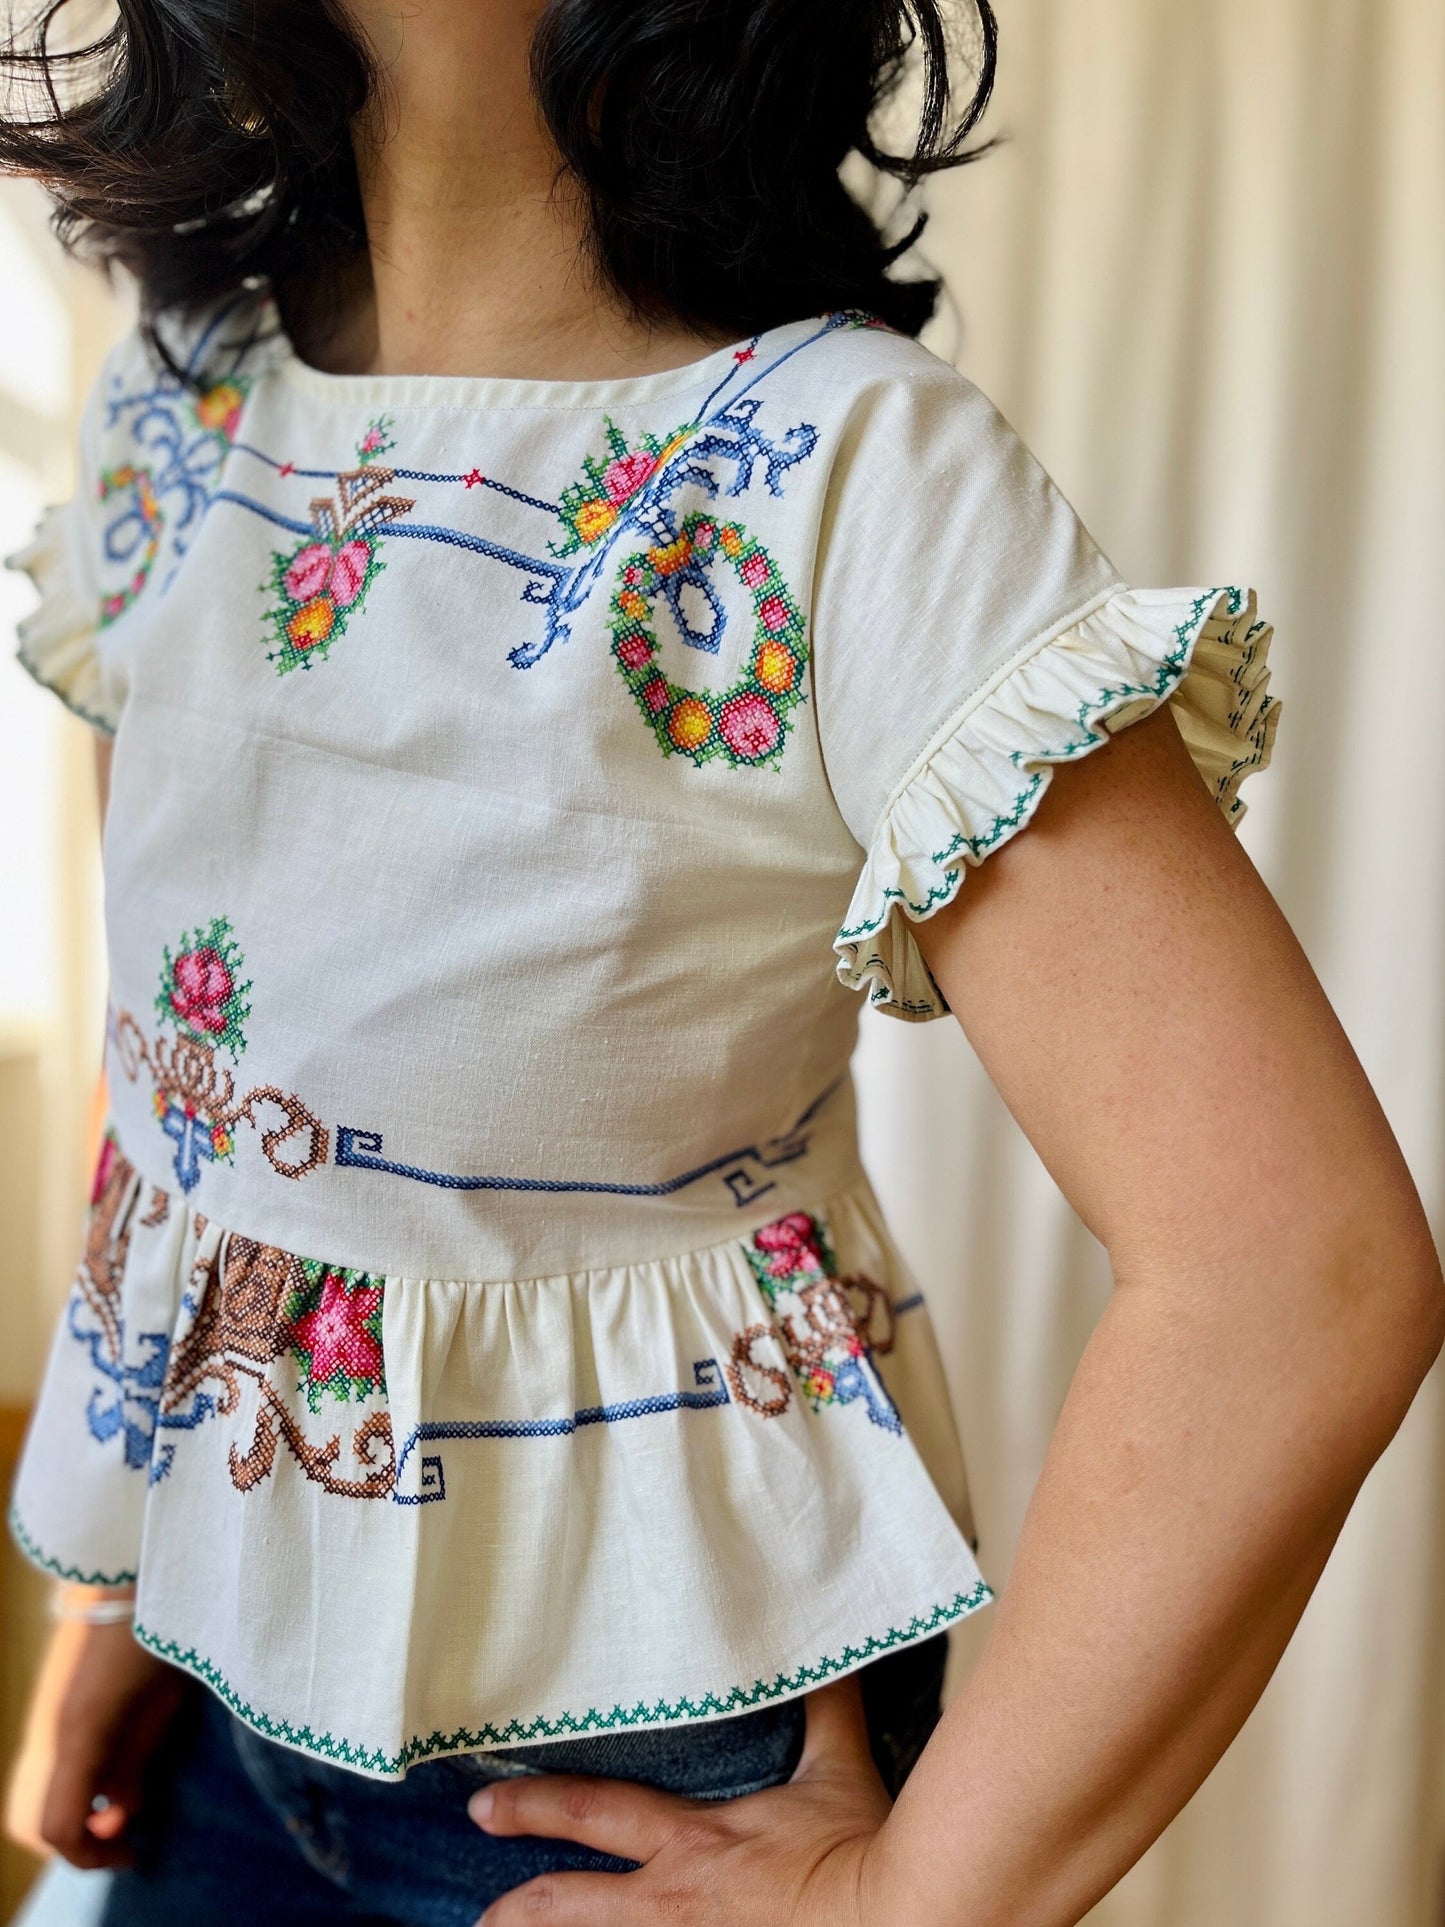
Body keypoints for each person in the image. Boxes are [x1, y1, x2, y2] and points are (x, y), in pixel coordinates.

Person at [2, 0, 1440, 1921]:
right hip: (213, 1692)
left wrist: (906, 1900)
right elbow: (195, 1066)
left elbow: (1296, 1273)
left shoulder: (846, 472)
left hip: (655, 1781)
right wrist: (132, 1583)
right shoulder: (182, 392)